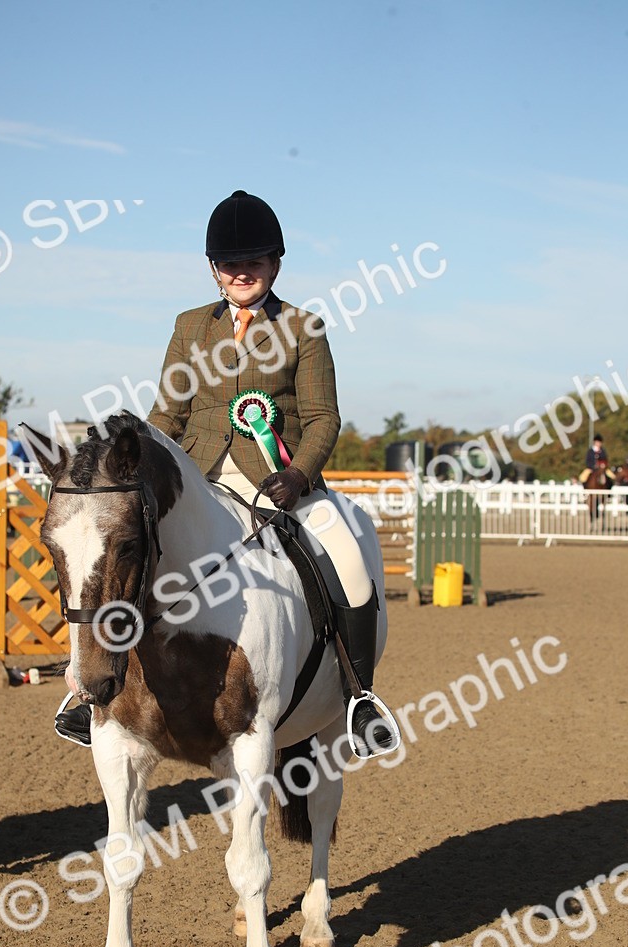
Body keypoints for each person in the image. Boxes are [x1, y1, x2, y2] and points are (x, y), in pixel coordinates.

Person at [56, 190, 398, 757]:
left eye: (254, 262)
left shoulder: (304, 327)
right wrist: (142, 469)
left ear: (275, 265)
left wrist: (301, 475)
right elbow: (168, 415)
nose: (242, 272)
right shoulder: (190, 326)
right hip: (197, 479)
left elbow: (323, 417)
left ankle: (360, 697)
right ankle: (87, 692)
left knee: (348, 557)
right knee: (118, 553)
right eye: (230, 263)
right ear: (214, 269)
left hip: (278, 480)